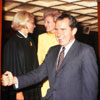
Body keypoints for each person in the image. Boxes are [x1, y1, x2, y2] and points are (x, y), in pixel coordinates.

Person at [2, 13, 98, 100]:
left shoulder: (85, 51)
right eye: (56, 29)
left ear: (74, 31)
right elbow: (38, 74)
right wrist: (14, 80)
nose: (58, 34)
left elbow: (91, 89)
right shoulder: (53, 50)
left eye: (63, 29)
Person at [2, 11, 41, 100]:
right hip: (21, 90)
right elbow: (11, 69)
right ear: (25, 23)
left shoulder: (31, 41)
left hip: (32, 88)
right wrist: (18, 92)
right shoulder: (12, 43)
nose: (34, 26)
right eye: (32, 23)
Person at [37, 9, 61, 97]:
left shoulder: (63, 37)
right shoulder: (42, 37)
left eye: (48, 22)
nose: (45, 24)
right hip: (47, 78)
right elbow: (39, 58)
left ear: (56, 22)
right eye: (44, 22)